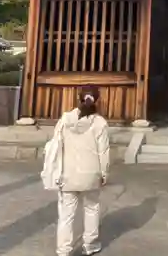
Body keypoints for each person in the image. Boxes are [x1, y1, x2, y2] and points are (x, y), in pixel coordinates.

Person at [54, 86, 110, 256]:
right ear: (97, 100)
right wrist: (104, 173)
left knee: (66, 214)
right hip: (91, 173)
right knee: (92, 208)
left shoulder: (65, 120)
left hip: (67, 173)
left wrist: (56, 170)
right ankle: (90, 244)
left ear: (78, 98)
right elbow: (104, 151)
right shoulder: (100, 123)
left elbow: (56, 147)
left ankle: (63, 249)